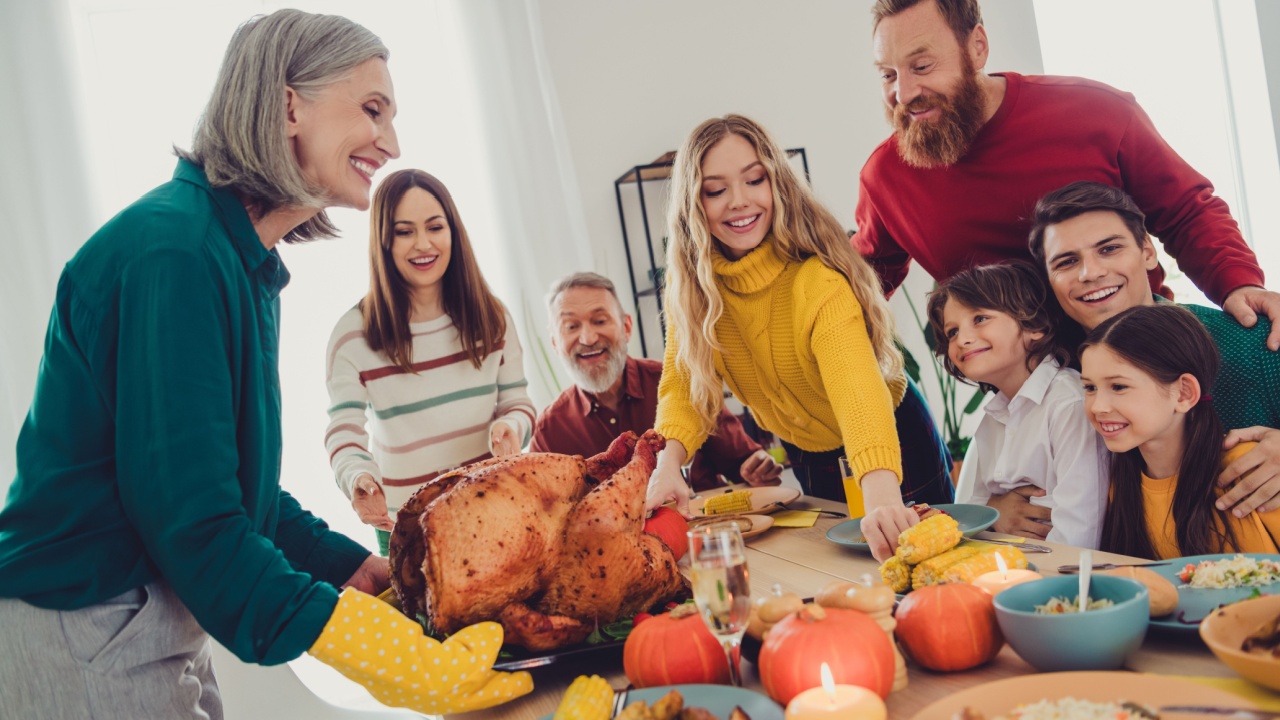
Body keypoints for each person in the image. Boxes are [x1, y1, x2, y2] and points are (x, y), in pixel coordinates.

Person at [0, 11, 528, 718]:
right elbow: (191, 518)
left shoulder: (234, 258)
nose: (391, 141)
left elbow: (232, 486)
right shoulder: (176, 255)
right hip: (85, 617)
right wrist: (344, 633)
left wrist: (347, 568)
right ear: (288, 104)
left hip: (142, 616)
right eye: (372, 109)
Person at [855, 0, 1280, 351]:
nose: (904, 93)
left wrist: (1237, 283)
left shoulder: (1096, 111)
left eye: (923, 66)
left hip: (1146, 358)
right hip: (1029, 401)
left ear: (977, 48)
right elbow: (861, 280)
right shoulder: (885, 177)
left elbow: (1186, 210)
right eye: (888, 75)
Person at [643, 113, 952, 562]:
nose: (739, 202)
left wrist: (883, 492)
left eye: (754, 180)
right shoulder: (692, 293)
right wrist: (668, 465)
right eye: (715, 190)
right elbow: (684, 389)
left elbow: (858, 394)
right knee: (844, 573)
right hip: (809, 453)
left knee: (933, 567)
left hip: (890, 441)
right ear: (693, 203)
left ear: (778, 184)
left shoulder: (817, 281)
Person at [1026, 181, 1280, 522]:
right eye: (1067, 262)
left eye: (1109, 249)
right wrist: (1000, 509)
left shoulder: (1254, 339)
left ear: (1147, 251)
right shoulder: (1051, 379)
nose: (1092, 273)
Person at [325, 169, 534, 556]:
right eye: (404, 232)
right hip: (406, 527)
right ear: (383, 241)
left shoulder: (493, 317)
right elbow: (344, 433)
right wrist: (357, 477)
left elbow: (518, 404)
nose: (423, 244)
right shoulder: (353, 335)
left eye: (435, 227)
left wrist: (510, 427)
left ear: (452, 231)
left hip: (491, 509)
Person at [531, 271, 783, 491]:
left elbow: (744, 463)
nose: (587, 338)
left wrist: (757, 468)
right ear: (555, 343)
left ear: (626, 327)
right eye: (571, 326)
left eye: (599, 321)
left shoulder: (679, 384)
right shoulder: (550, 431)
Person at [926, 262, 1108, 547]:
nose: (962, 339)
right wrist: (995, 512)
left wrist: (989, 514)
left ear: (1034, 326)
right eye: (952, 332)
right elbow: (963, 522)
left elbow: (1079, 536)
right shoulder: (993, 419)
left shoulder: (1069, 403)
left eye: (980, 318)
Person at [1081, 305, 1279, 558]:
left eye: (1118, 386)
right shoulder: (1116, 483)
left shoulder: (1256, 468)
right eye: (1089, 388)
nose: (1098, 407)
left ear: (1184, 393)